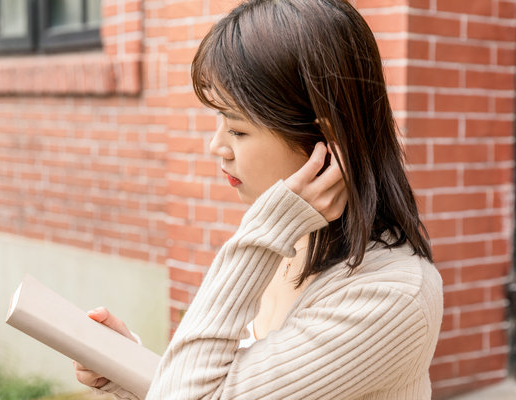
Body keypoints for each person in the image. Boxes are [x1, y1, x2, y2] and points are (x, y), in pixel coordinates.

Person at [74, 0, 443, 398]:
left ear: (323, 142)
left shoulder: (390, 296)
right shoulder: (292, 244)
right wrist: (131, 368)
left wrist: (265, 232)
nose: (216, 146)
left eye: (237, 130)